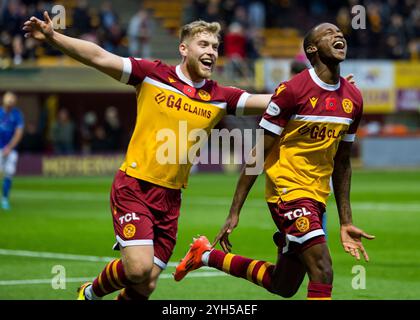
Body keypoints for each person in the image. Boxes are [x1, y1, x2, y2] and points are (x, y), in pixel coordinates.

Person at [23, 15, 273, 300]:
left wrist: (311, 90)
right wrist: (55, 37)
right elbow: (99, 57)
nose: (211, 52)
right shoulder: (152, 74)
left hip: (170, 200)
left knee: (146, 284)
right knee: (139, 269)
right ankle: (90, 293)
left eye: (215, 46)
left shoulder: (220, 96)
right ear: (183, 48)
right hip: (135, 187)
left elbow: (271, 101)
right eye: (203, 44)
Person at [174, 23, 375, 300]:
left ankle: (206, 255)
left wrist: (346, 221)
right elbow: (259, 152)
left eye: (339, 32)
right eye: (328, 33)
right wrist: (235, 210)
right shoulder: (292, 91)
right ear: (312, 49)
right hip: (287, 193)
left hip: (317, 197)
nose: (338, 34)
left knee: (283, 285)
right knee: (323, 271)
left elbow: (342, 163)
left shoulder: (353, 98)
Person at [0, 92, 24, 210]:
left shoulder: (17, 114)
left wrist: (9, 147)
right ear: (3, 100)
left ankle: (5, 199)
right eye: (8, 99)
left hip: (11, 150)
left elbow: (18, 133)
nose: (10, 101)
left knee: (8, 174)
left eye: (12, 99)